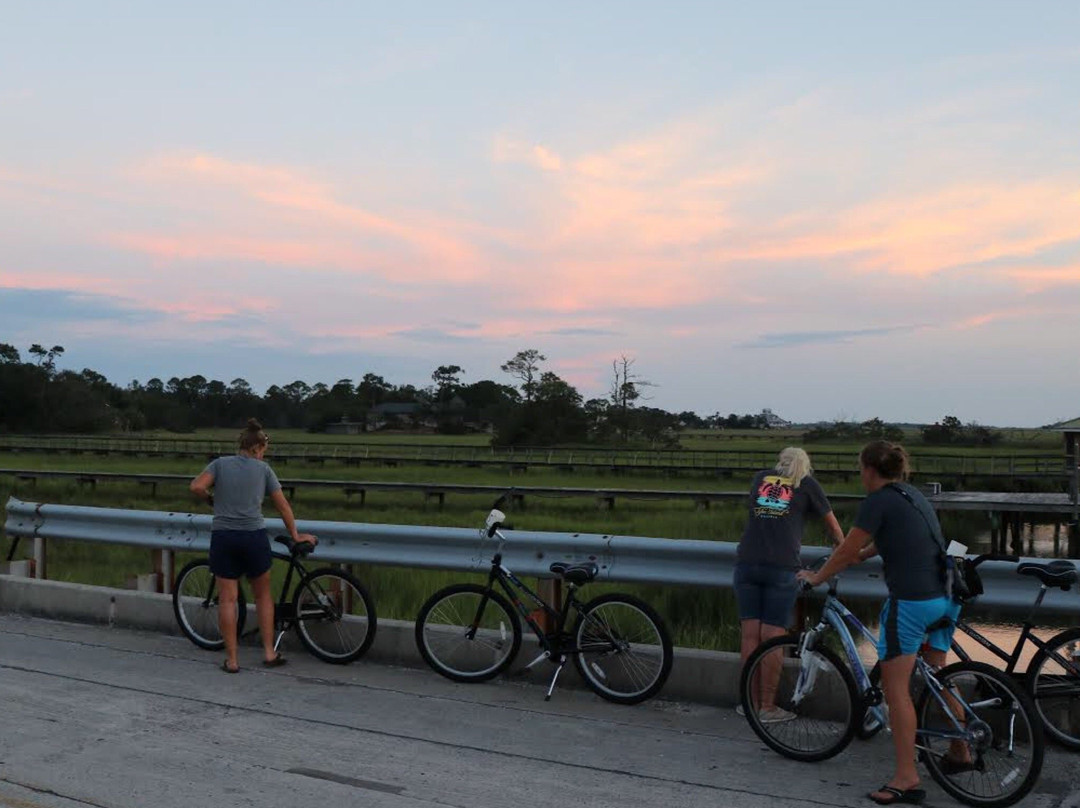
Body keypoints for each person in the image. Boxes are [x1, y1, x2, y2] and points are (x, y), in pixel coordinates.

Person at [797, 440, 967, 806]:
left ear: (870, 470)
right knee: (938, 676)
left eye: (861, 470)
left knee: (896, 691)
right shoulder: (911, 495)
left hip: (912, 602)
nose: (861, 476)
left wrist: (818, 577)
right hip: (947, 597)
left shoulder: (877, 501)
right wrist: (865, 554)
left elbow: (845, 549)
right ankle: (960, 749)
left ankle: (906, 777)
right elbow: (895, 537)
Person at [189, 419, 316, 673]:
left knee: (227, 599)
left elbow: (196, 486)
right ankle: (269, 653)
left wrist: (211, 500)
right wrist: (295, 534)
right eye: (264, 451)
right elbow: (282, 506)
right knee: (263, 596)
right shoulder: (264, 470)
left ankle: (233, 661)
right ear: (257, 447)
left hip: (224, 537)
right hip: (253, 537)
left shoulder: (220, 464)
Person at [736, 447, 844, 721]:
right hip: (781, 568)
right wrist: (842, 549)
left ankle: (748, 705)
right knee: (772, 638)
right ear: (805, 465)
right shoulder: (806, 483)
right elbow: (832, 525)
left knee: (750, 635)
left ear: (779, 461)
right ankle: (767, 707)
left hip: (746, 563)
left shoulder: (760, 478)